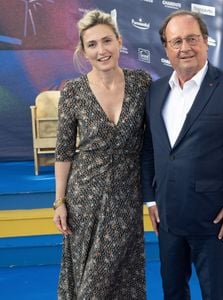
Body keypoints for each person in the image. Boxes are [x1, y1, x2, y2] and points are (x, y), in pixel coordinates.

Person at [141, 10, 223, 300]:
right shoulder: (156, 91)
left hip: (216, 221)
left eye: (192, 39)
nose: (185, 47)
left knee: (216, 294)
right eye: (177, 41)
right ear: (166, 48)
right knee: (172, 291)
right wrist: (150, 198)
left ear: (206, 41)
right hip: (168, 218)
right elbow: (149, 148)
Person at [53, 9, 151, 299]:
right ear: (83, 52)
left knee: (121, 273)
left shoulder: (141, 83)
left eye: (106, 41)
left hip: (126, 196)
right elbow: (63, 150)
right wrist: (60, 201)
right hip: (84, 197)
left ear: (120, 42)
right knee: (89, 276)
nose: (101, 50)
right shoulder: (73, 91)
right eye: (92, 45)